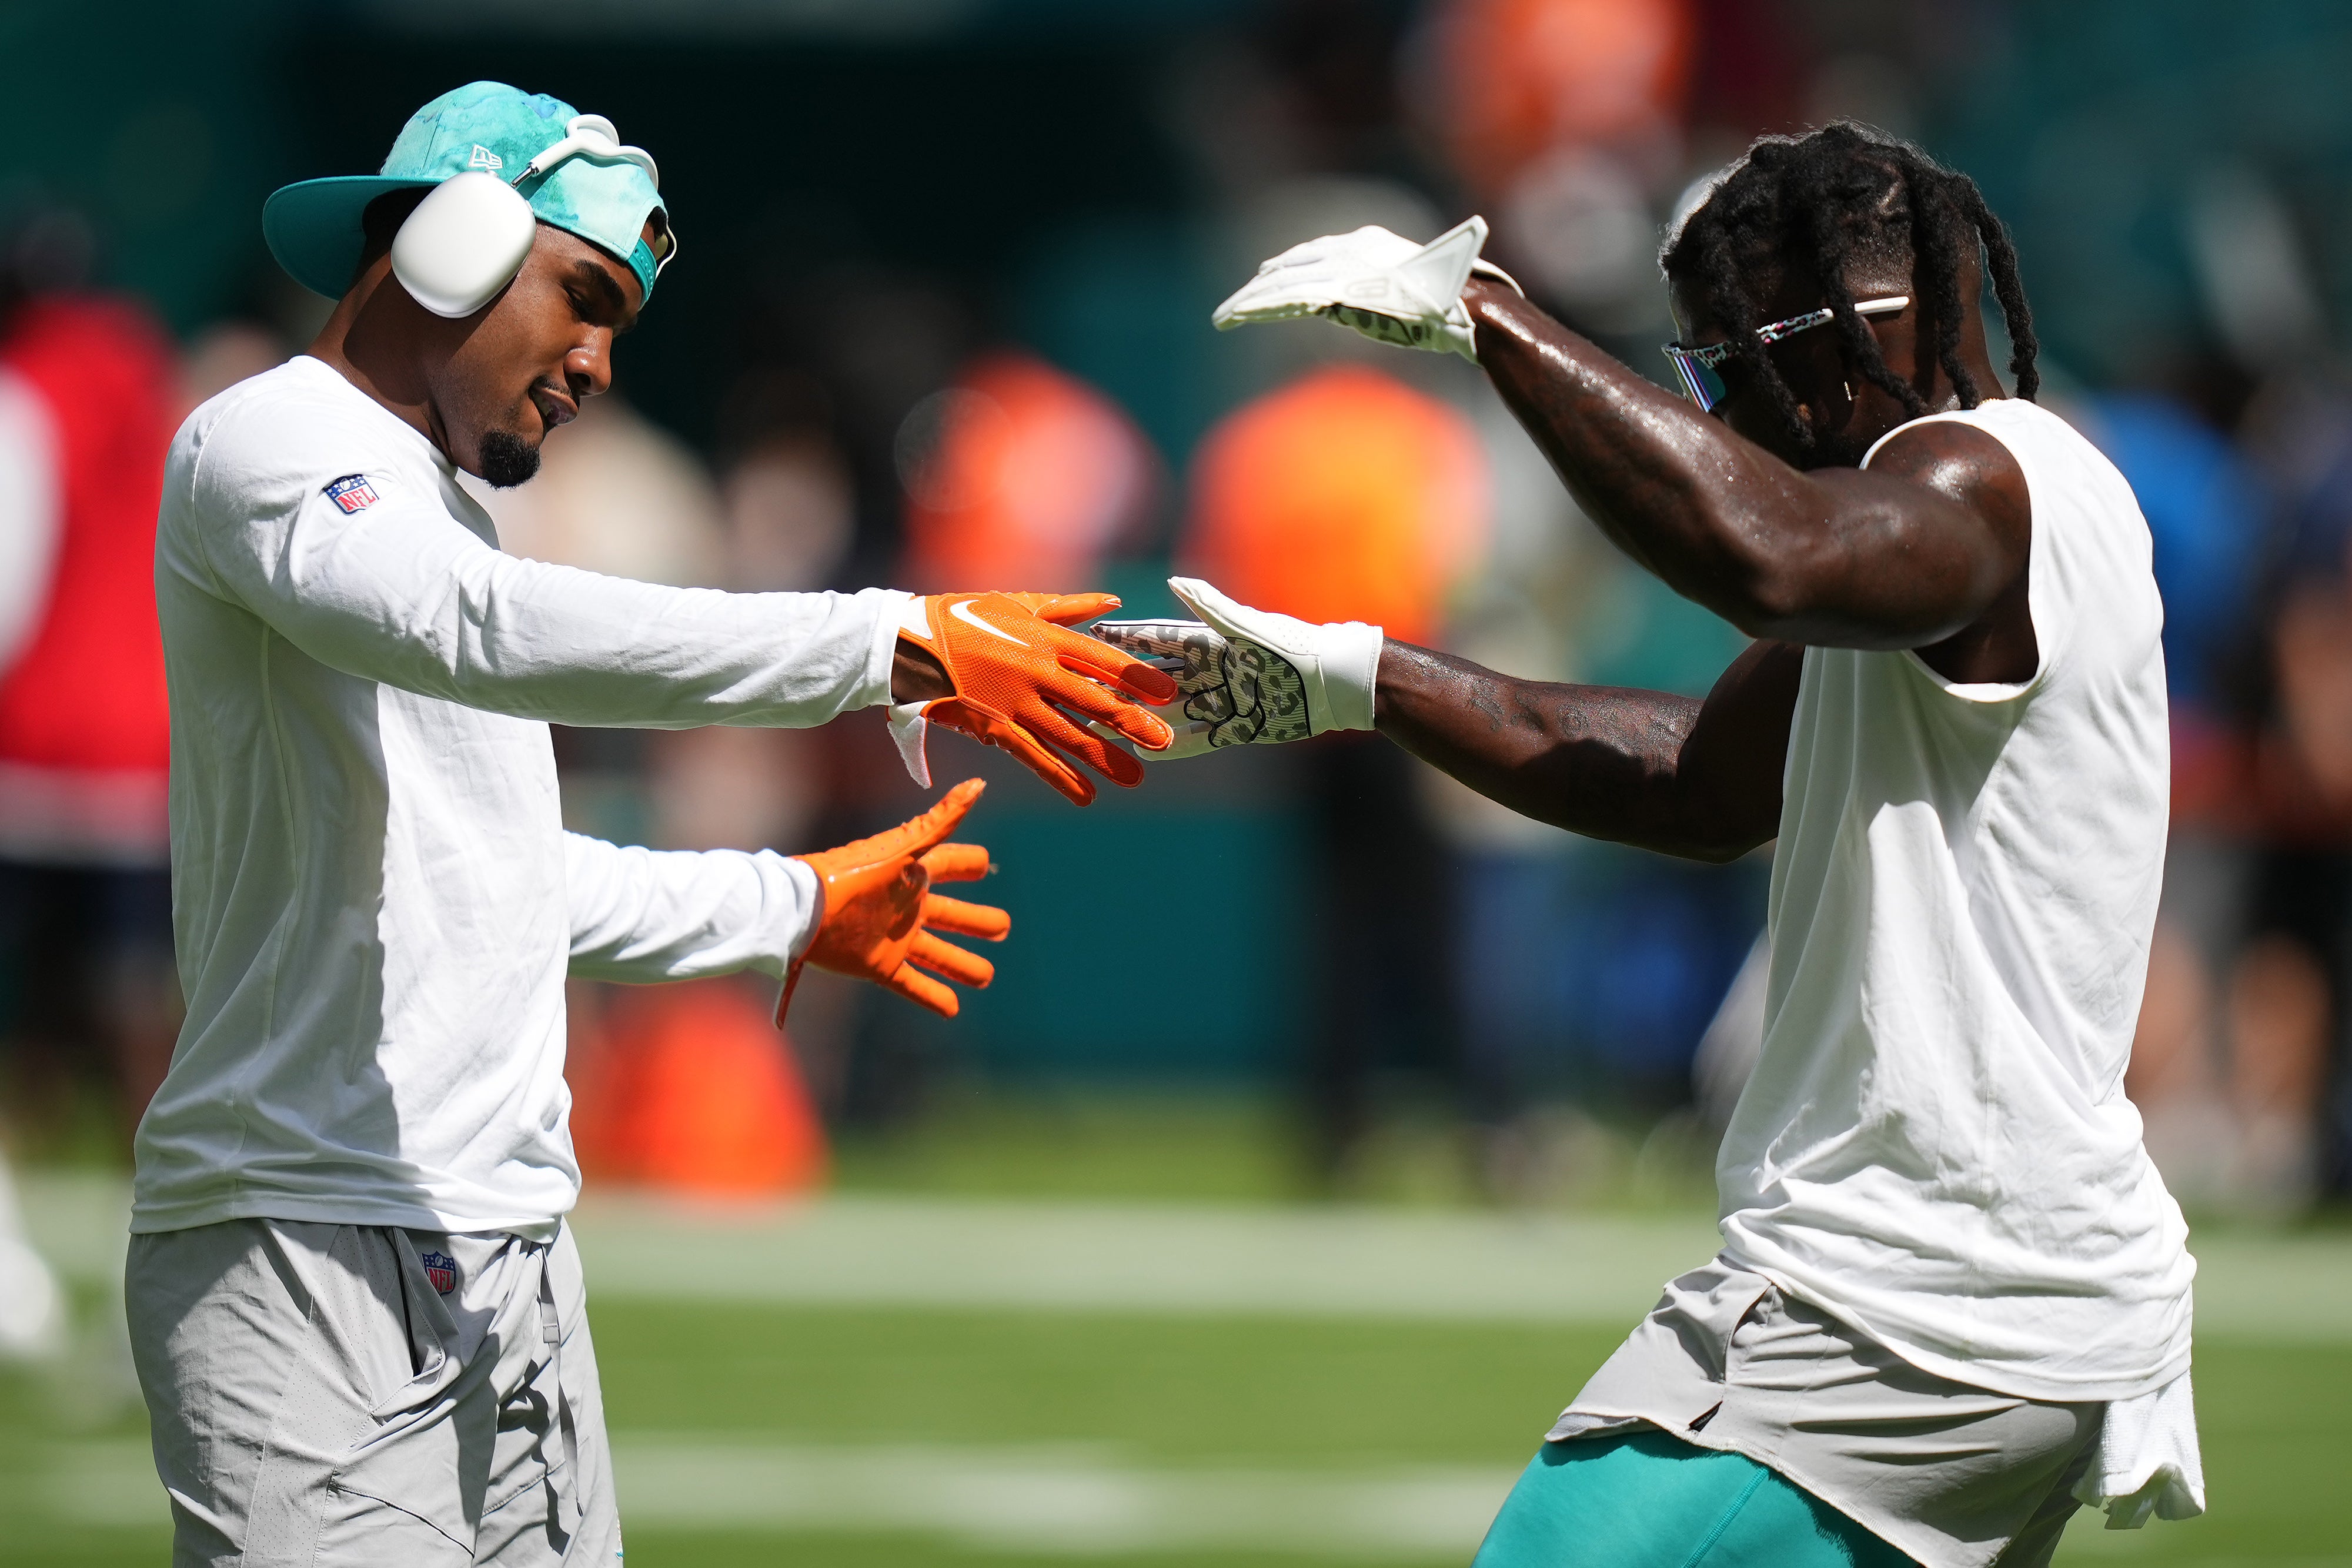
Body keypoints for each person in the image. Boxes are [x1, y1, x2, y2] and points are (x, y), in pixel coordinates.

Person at [1101, 123, 2199, 1567]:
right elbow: (1696, 780)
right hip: (2018, 1306)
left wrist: (1486, 318)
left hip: (1898, 1305)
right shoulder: (1952, 538)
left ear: (1850, 336)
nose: (1721, 412)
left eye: (1720, 368)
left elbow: (1768, 551)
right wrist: (1362, 681)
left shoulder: (1980, 484)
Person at [128, 81, 1174, 1566]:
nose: (601, 361)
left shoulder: (437, 511)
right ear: (449, 245)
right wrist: (899, 640)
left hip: (507, 1259)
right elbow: (473, 628)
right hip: (304, 1253)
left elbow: (493, 879)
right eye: (583, 294)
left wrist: (791, 906)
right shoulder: (266, 439)